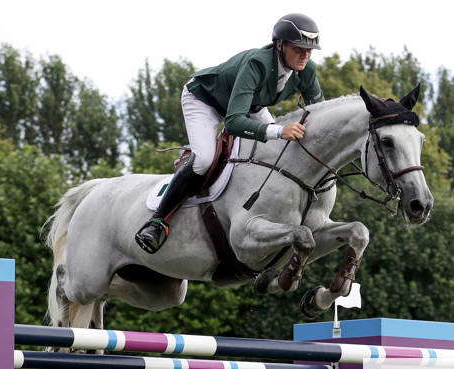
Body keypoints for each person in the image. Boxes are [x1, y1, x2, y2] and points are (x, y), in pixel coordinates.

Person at [134, 13, 324, 254]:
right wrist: (279, 130)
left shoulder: (306, 70)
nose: (305, 55)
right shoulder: (258, 63)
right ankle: (157, 222)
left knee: (279, 150)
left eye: (310, 50)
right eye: (298, 48)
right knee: (203, 160)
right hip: (205, 101)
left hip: (250, 106)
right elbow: (234, 123)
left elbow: (317, 112)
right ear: (279, 44)